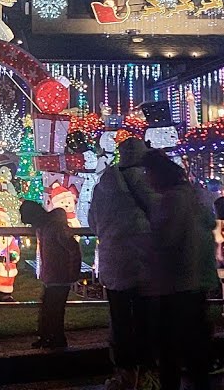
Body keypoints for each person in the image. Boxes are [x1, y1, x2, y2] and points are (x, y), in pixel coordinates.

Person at [142, 151, 217, 390]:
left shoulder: (171, 201)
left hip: (175, 282)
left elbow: (165, 239)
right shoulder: (197, 195)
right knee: (195, 342)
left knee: (169, 345)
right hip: (198, 278)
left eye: (147, 174)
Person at [89, 137, 158, 390]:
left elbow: (93, 223)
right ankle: (147, 373)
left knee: (119, 321)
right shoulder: (150, 185)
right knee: (145, 320)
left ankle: (124, 373)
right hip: (146, 264)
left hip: (113, 263)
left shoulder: (103, 186)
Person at [21, 199, 80, 350]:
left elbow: (72, 247)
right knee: (50, 307)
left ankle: (55, 339)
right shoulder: (48, 226)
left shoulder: (54, 227)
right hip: (53, 274)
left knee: (54, 308)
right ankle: (49, 337)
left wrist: (72, 271)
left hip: (60, 274)